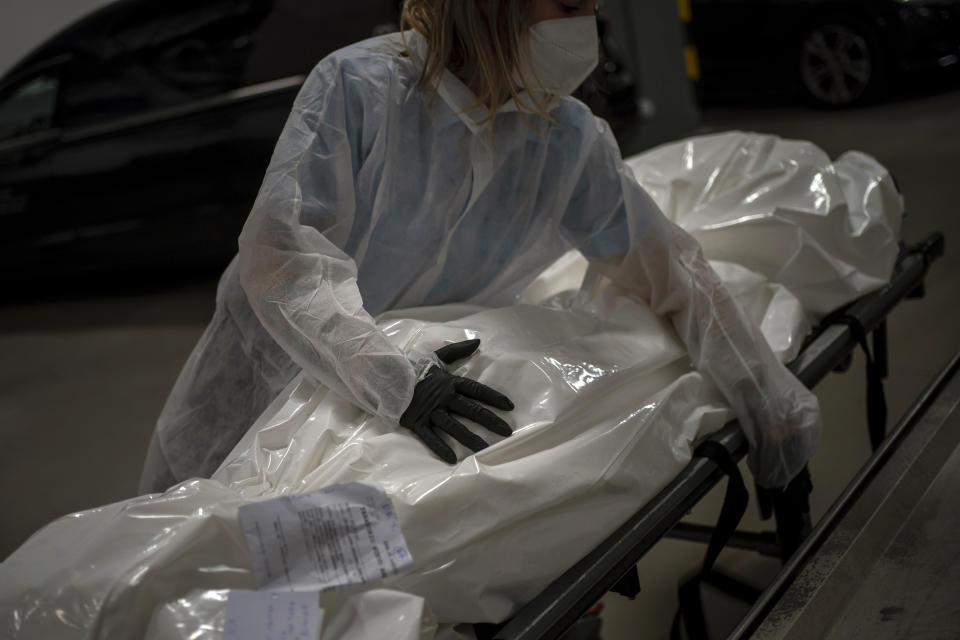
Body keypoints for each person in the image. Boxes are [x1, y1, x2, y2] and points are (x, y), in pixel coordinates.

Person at [140, 0, 820, 494]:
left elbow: (672, 270)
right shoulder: (360, 91)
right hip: (277, 381)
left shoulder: (564, 141)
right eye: (570, 5)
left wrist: (770, 403)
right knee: (225, 560)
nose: (589, 26)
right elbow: (282, 260)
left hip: (419, 412)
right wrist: (392, 379)